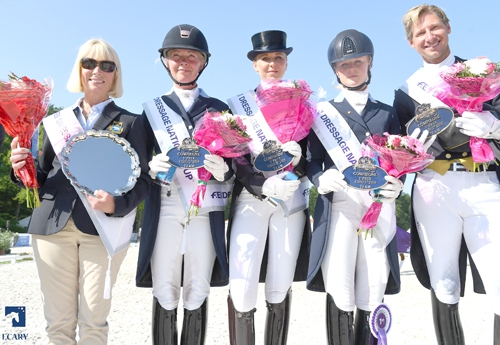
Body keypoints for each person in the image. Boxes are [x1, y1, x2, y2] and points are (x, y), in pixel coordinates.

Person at [9, 38, 150, 345]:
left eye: (106, 65)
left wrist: (118, 204)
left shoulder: (132, 122)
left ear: (115, 74)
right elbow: (42, 176)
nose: (96, 71)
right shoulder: (55, 122)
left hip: (102, 231)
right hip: (52, 227)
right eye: (89, 63)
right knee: (57, 324)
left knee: (93, 322)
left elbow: (144, 181)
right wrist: (21, 167)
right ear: (79, 69)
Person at [394, 4, 500, 343]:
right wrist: (407, 150)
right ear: (411, 43)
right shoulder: (406, 92)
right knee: (445, 284)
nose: (429, 37)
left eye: (434, 27)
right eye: (420, 33)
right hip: (434, 188)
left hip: (483, 181)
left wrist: (495, 126)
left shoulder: (481, 73)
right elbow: (399, 151)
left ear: (449, 28)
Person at [135, 24, 232, 345]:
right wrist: (150, 167)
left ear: (203, 62)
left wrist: (223, 170)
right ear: (165, 61)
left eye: (192, 56)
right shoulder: (150, 111)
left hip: (206, 210)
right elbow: (136, 167)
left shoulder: (220, 109)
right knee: (164, 289)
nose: (184, 61)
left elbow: (236, 166)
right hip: (165, 207)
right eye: (176, 55)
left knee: (197, 288)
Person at [306, 29, 404, 345]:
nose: (351, 69)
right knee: (339, 282)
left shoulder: (387, 112)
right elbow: (312, 160)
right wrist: (319, 179)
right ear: (335, 69)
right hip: (340, 204)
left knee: (373, 284)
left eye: (357, 62)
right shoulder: (322, 113)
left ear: (369, 63)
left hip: (376, 205)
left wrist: (398, 185)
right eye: (344, 64)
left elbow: (402, 157)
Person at [225, 30, 311, 345]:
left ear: (286, 62)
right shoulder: (241, 106)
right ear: (254, 64)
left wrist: (299, 164)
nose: (272, 64)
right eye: (265, 58)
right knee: (243, 282)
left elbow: (314, 154)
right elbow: (237, 158)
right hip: (252, 198)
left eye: (278, 58)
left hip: (292, 199)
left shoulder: (303, 102)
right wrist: (264, 183)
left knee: (280, 283)